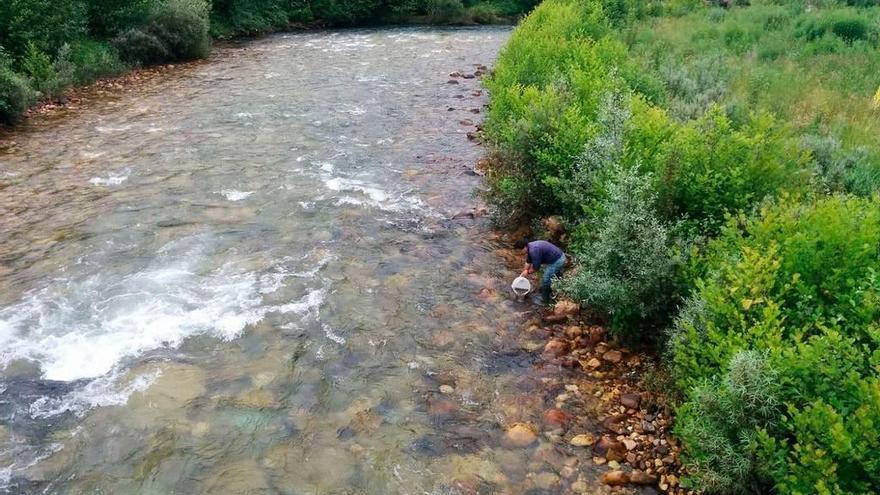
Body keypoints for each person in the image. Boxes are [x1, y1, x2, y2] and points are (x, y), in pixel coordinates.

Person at [514, 238, 566, 303]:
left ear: (524, 247)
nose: (520, 253)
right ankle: (555, 289)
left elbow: (536, 268)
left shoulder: (534, 251)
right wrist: (523, 273)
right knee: (555, 276)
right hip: (557, 257)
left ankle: (546, 300)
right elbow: (528, 261)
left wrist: (527, 272)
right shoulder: (530, 246)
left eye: (519, 251)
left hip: (558, 260)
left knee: (545, 280)